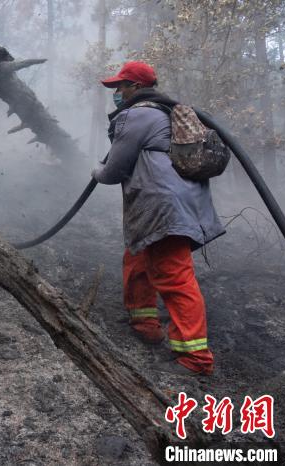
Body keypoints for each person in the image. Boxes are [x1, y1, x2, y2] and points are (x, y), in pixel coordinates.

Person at [92, 61, 225, 376]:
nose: (117, 93)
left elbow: (113, 171)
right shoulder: (165, 112)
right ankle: (145, 323)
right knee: (137, 258)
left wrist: (96, 170)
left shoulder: (138, 114)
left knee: (173, 276)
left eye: (121, 86)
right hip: (172, 207)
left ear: (137, 87)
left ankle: (196, 358)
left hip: (163, 209)